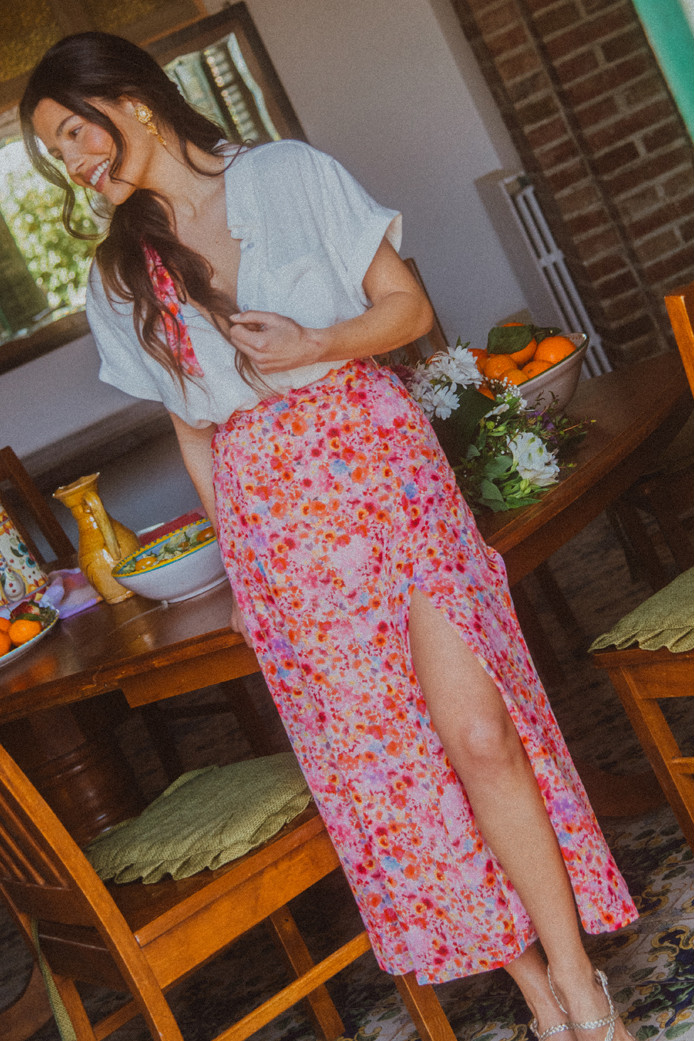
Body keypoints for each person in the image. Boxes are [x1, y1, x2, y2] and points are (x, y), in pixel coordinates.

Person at [22, 32, 637, 1041]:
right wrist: (244, 571)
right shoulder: (119, 275)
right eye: (54, 154)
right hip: (277, 524)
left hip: (385, 470)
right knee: (400, 774)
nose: (72, 163)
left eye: (72, 134)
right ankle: (534, 993)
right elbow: (193, 430)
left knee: (480, 736)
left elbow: (405, 309)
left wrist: (317, 341)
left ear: (130, 100)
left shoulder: (287, 175)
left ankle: (579, 981)